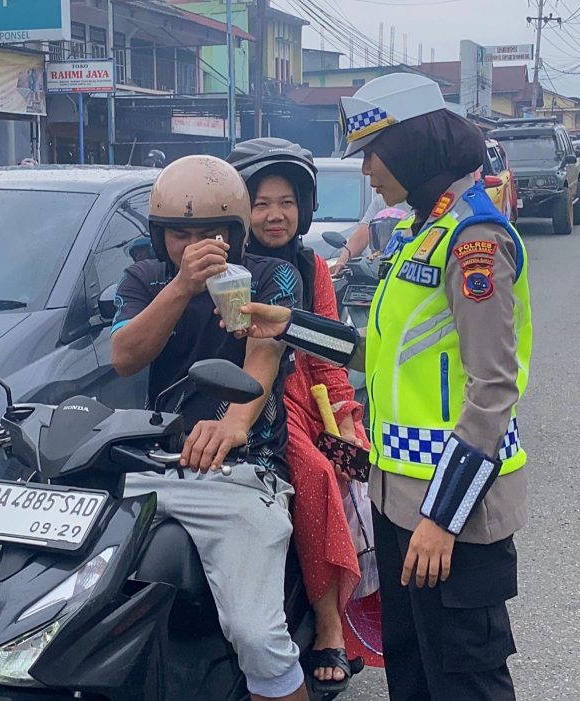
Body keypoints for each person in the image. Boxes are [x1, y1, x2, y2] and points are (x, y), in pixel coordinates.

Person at [223, 73, 532, 701]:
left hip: (452, 512)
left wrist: (442, 518)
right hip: (398, 502)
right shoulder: (421, 234)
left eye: (373, 152)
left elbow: (493, 389)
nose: (366, 170)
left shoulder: (474, 242)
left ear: (414, 146)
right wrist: (291, 324)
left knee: (465, 679)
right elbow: (378, 354)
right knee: (414, 673)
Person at [109, 154, 309, 701]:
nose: (195, 245)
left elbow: (263, 356)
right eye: (180, 234)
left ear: (235, 234)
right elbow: (124, 356)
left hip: (243, 470)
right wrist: (179, 286)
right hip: (156, 464)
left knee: (258, 635)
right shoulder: (144, 277)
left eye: (211, 233)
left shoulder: (269, 275)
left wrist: (234, 424)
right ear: (159, 235)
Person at [226, 138, 368, 693]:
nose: (274, 215)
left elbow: (331, 360)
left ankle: (328, 622)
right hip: (224, 397)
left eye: (285, 202)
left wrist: (348, 423)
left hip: (295, 402)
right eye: (260, 203)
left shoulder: (311, 269)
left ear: (303, 207)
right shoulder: (223, 266)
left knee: (312, 471)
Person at [331, 193, 386, 274]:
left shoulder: (411, 208)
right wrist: (342, 262)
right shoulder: (382, 200)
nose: (375, 186)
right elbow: (362, 234)